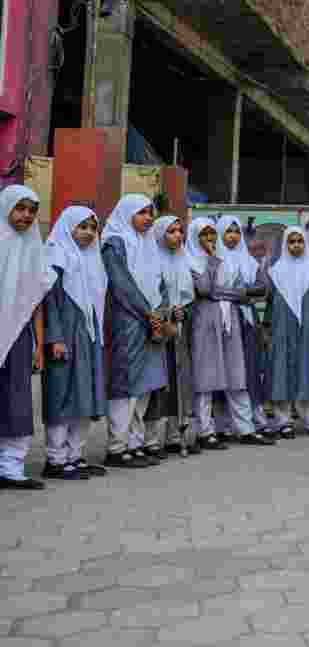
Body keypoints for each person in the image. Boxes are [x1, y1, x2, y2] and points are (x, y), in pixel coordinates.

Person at [187, 218, 272, 449]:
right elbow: (204, 288)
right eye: (204, 235)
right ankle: (206, 431)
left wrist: (225, 292)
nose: (210, 240)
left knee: (236, 374)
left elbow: (244, 293)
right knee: (206, 377)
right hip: (206, 322)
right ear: (195, 237)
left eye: (212, 235)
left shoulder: (228, 261)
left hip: (230, 320)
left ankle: (246, 428)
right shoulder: (190, 260)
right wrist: (213, 262)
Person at [101, 194, 169, 468]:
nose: (148, 218)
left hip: (151, 322)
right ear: (126, 213)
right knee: (126, 385)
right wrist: (147, 313)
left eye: (150, 213)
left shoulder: (148, 242)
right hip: (127, 321)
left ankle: (134, 443)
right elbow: (121, 285)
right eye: (141, 213)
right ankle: (116, 448)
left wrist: (160, 312)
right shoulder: (114, 243)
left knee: (145, 385)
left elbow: (159, 282)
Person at [42, 206, 108, 480]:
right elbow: (51, 302)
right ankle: (55, 460)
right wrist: (55, 338)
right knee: (62, 396)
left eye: (92, 228)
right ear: (68, 226)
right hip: (66, 336)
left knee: (85, 395)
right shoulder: (56, 254)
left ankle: (75, 455)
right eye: (82, 227)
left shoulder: (91, 258)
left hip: (88, 335)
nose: (88, 233)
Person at [0, 186, 56, 488]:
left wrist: (37, 344)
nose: (26, 215)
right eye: (20, 208)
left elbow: (36, 302)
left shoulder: (35, 248)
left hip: (19, 335)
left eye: (32, 210)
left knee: (17, 399)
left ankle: (11, 468)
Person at [141, 216, 196, 458]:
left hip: (179, 329)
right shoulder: (151, 260)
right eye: (171, 231)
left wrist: (184, 310)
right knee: (157, 385)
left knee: (178, 383)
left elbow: (191, 297)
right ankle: (149, 439)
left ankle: (175, 436)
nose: (177, 236)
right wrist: (165, 314)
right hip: (157, 329)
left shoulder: (185, 260)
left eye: (179, 231)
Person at [266, 227, 309, 437]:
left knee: (305, 372)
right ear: (285, 244)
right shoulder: (276, 270)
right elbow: (270, 302)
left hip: (305, 328)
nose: (296, 245)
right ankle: (284, 421)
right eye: (291, 241)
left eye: (300, 241)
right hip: (282, 328)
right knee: (282, 371)